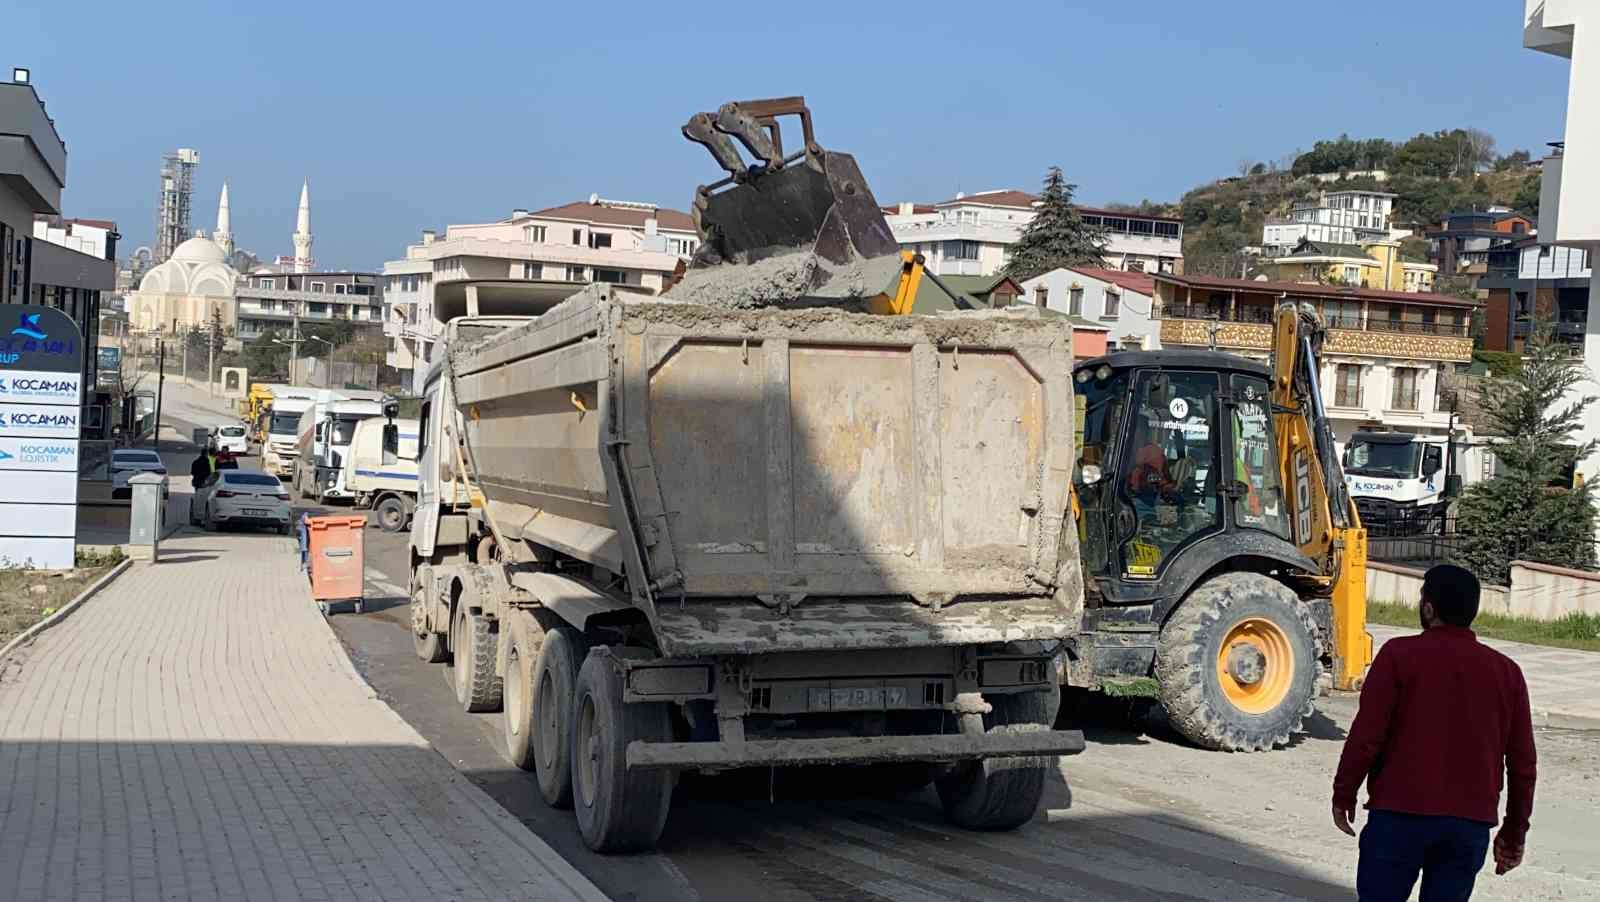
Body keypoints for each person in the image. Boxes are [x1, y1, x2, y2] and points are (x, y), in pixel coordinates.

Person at [1332, 564, 1537, 901]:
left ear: (1429, 608)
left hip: (1397, 817)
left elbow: (1366, 737)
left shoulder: (1398, 655)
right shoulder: (1507, 673)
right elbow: (1522, 765)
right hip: (1468, 826)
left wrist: (1344, 793)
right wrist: (1514, 832)